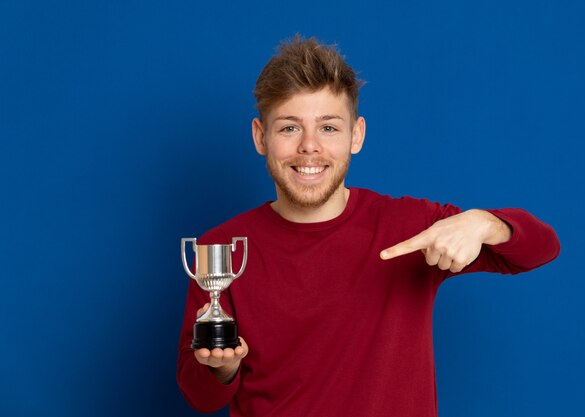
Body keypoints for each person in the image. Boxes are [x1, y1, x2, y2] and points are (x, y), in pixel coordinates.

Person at [177, 35, 560, 417]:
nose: (309, 146)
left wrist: (485, 223)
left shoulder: (409, 227)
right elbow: (201, 397)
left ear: (356, 135)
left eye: (328, 128)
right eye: (289, 128)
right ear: (261, 137)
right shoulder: (223, 248)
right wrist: (223, 368)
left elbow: (542, 248)